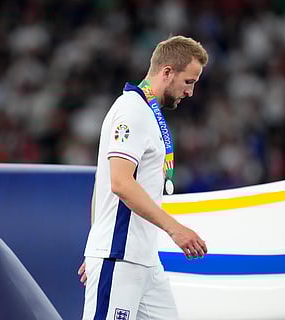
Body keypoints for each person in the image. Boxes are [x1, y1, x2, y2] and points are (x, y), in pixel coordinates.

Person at [78, 35, 209, 320]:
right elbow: (119, 182)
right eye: (189, 82)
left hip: (144, 259)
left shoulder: (146, 113)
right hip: (119, 256)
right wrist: (175, 229)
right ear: (166, 72)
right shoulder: (132, 111)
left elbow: (102, 184)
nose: (190, 92)